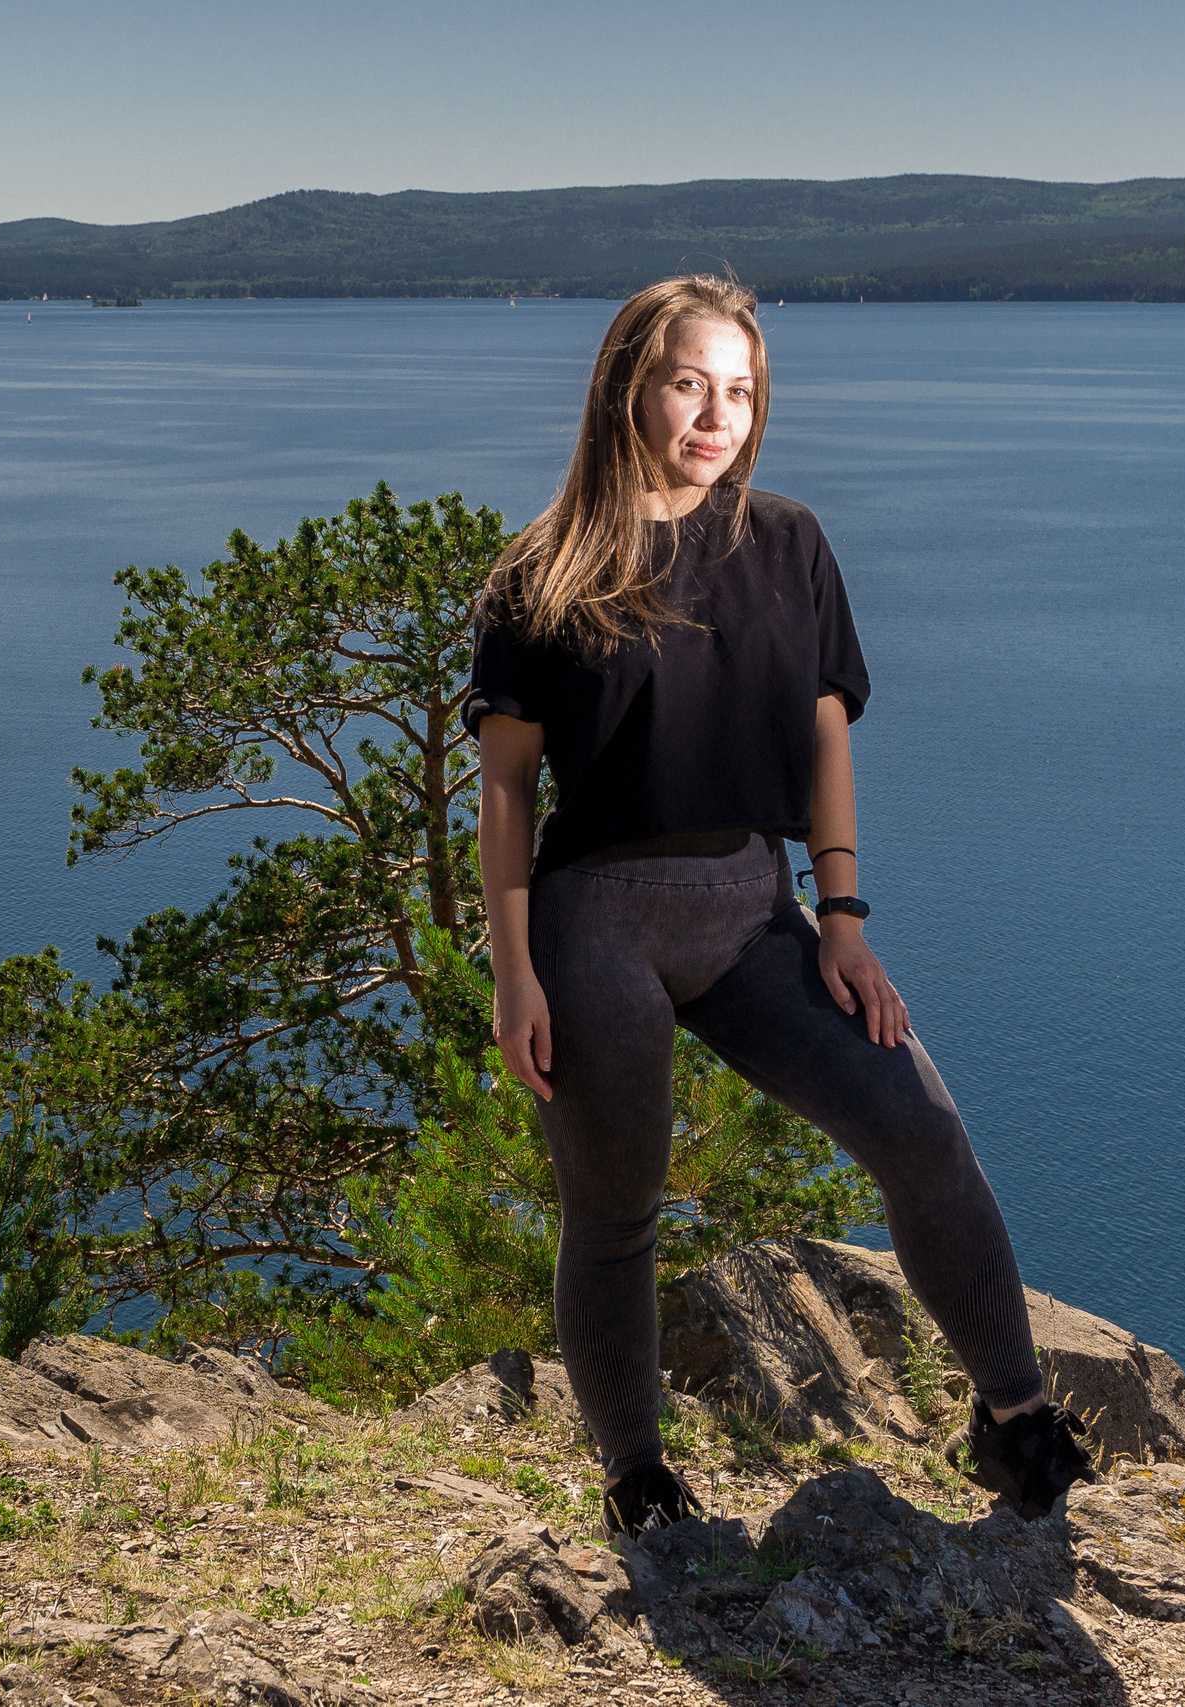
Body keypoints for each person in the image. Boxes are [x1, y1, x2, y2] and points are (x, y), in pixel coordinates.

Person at [466, 274, 1093, 1535]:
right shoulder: (539, 575)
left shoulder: (791, 543)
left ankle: (1016, 1418)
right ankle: (636, 1477)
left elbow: (824, 740)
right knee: (617, 1209)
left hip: (756, 913)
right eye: (689, 383)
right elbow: (504, 788)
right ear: (627, 388)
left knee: (919, 1127)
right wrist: (515, 974)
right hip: (599, 930)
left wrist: (844, 918)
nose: (717, 415)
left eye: (739, 390)